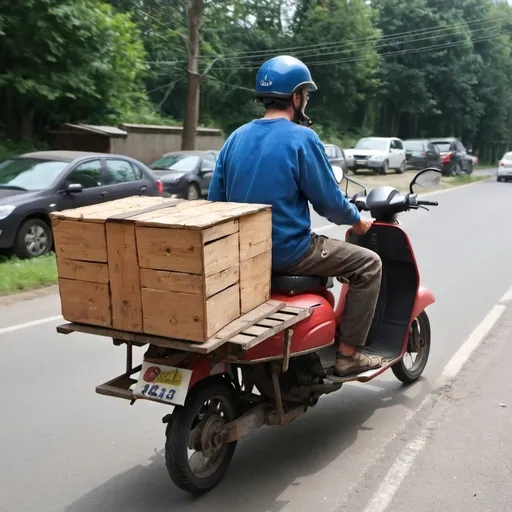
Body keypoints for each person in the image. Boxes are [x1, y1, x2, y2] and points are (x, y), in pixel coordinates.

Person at [207, 55, 382, 377]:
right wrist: (357, 219)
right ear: (296, 96)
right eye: (306, 94)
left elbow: (214, 202)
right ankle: (349, 353)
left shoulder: (235, 138)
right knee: (369, 264)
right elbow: (329, 203)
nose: (306, 100)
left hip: (242, 256)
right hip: (289, 252)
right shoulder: (302, 138)